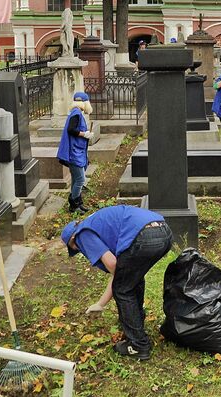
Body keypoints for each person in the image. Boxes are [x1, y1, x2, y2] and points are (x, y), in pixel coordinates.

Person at [62, 205, 172, 360]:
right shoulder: (97, 222)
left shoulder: (82, 234)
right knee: (131, 280)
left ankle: (138, 345)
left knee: (124, 289)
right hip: (164, 231)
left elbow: (114, 266)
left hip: (144, 236)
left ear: (73, 240)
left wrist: (103, 301)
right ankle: (136, 323)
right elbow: (121, 273)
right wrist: (101, 304)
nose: (81, 250)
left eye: (76, 249)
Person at [57, 91, 93, 213]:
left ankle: (78, 204)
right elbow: (71, 129)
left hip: (77, 151)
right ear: (85, 102)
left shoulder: (75, 113)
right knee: (80, 180)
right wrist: (85, 134)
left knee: (75, 179)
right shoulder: (76, 114)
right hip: (74, 153)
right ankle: (73, 204)